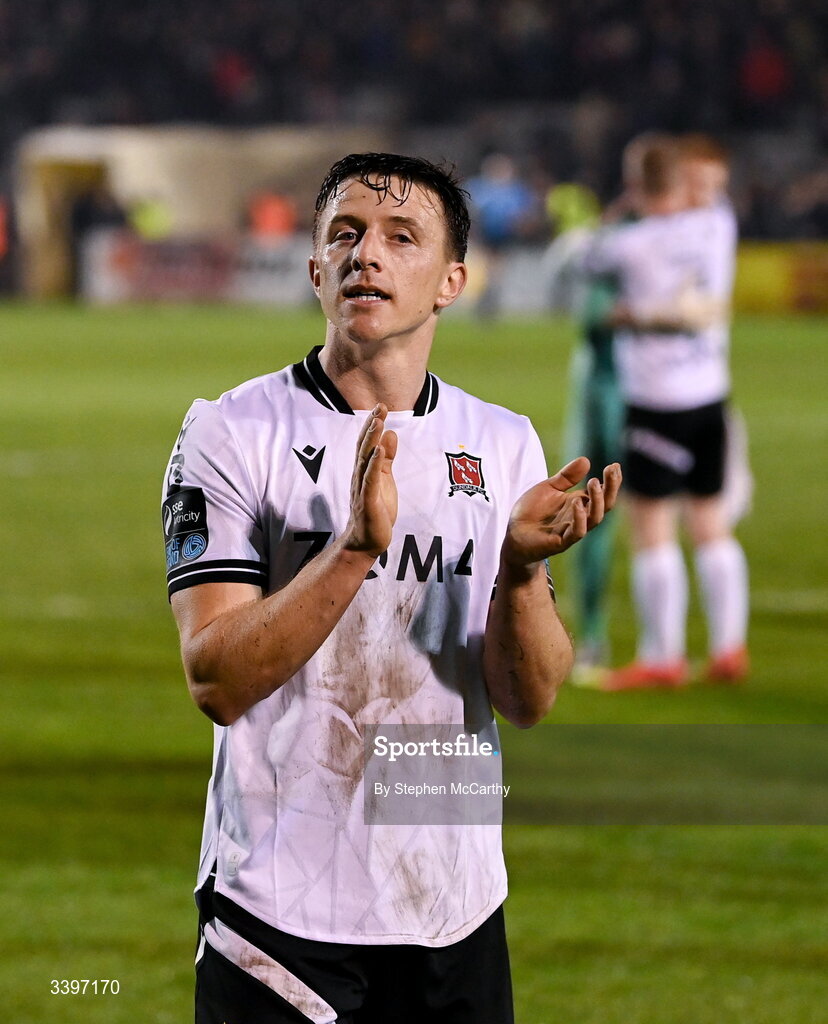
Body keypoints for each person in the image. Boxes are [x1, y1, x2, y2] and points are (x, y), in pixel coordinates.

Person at [162, 152, 621, 1023]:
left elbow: (528, 699)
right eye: (345, 234)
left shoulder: (502, 443)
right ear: (314, 269)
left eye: (399, 237)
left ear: (452, 281)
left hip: (455, 905)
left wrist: (521, 571)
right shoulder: (231, 432)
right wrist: (353, 551)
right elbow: (215, 680)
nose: (365, 254)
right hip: (281, 908)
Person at [584, 138, 749, 691]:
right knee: (710, 520)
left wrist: (632, 314)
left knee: (652, 525)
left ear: (635, 185)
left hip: (656, 401)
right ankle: (729, 647)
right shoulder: (718, 227)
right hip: (711, 394)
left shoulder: (630, 245)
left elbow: (585, 257)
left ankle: (663, 657)